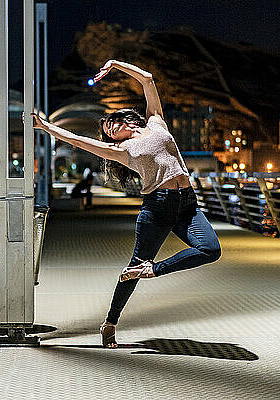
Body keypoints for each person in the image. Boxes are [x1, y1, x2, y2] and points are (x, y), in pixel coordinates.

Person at [27, 59, 222, 349]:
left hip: (188, 205)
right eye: (107, 130)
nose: (111, 128)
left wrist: (115, 64)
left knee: (210, 250)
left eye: (112, 121)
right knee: (133, 265)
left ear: (127, 119)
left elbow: (148, 79)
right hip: (157, 208)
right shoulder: (122, 150)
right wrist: (46, 128)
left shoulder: (156, 122)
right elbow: (79, 140)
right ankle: (110, 323)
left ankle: (153, 270)